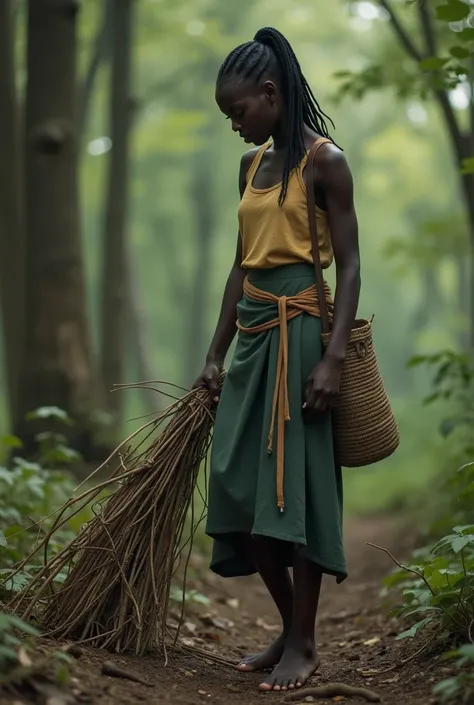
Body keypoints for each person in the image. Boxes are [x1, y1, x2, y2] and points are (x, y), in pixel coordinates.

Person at [193, 27, 360, 692]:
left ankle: (305, 642)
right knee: (237, 481)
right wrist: (214, 353)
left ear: (269, 93)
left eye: (239, 111)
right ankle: (291, 626)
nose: (235, 124)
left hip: (304, 335)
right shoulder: (250, 167)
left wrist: (335, 357)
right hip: (256, 329)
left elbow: (349, 265)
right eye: (228, 116)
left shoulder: (326, 161)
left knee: (297, 486)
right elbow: (240, 267)